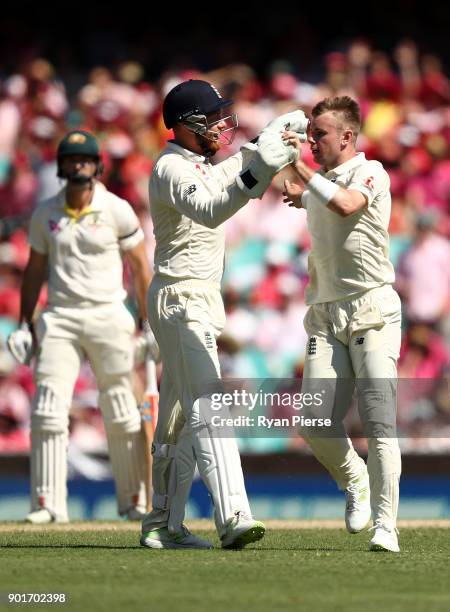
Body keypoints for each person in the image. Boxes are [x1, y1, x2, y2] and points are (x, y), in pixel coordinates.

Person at [140, 79, 307, 549]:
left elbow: (227, 171)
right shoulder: (171, 168)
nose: (219, 124)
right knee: (209, 406)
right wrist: (260, 168)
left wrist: (266, 139)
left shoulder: (198, 163)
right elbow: (212, 208)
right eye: (210, 117)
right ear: (186, 125)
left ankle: (162, 524)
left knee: (175, 418)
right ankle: (233, 514)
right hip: (180, 299)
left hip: (194, 300)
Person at [7, 129, 156, 523]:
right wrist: (25, 324)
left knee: (123, 411)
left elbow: (141, 266)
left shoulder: (117, 209)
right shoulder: (46, 213)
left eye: (85, 160)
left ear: (97, 166)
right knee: (47, 409)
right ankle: (47, 503)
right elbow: (34, 270)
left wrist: (148, 322)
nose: (78, 166)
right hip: (60, 317)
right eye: (72, 160)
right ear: (61, 166)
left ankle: (133, 500)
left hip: (109, 315)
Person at [283, 96, 402, 552]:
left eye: (321, 135)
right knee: (313, 419)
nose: (313, 142)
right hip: (326, 313)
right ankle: (356, 480)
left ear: (348, 137)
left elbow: (349, 205)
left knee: (379, 422)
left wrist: (304, 177)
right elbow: (309, 194)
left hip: (372, 309)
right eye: (311, 135)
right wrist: (287, 168)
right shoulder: (320, 181)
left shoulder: (370, 172)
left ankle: (386, 526)